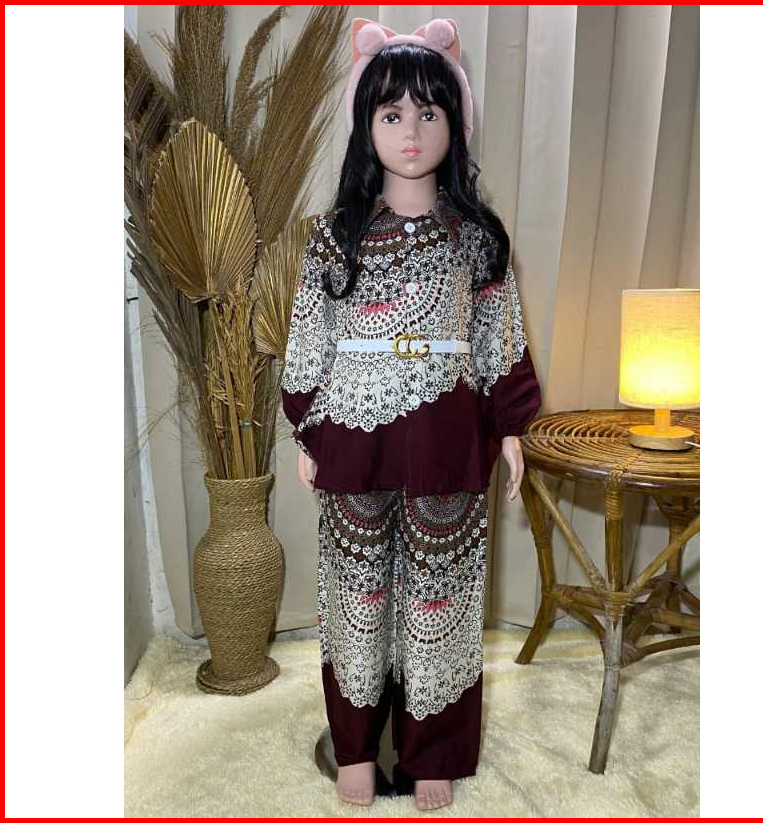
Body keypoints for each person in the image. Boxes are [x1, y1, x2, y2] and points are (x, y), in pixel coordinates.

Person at [280, 17, 542, 812]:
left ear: (454, 123)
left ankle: (436, 750)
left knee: (442, 598)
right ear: (365, 124)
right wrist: (304, 425)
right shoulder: (333, 237)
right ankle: (356, 746)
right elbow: (310, 333)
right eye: (391, 112)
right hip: (350, 434)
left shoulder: (477, 238)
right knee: (355, 596)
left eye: (429, 112)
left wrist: (509, 428)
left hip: (447, 440)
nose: (410, 130)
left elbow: (498, 335)